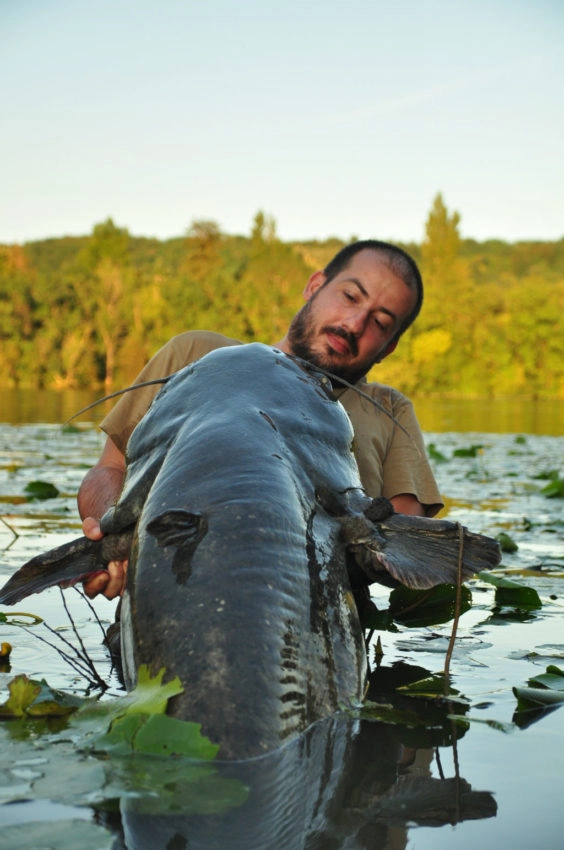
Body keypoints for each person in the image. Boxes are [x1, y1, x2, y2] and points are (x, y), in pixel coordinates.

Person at [78, 239, 443, 600]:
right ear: (315, 286)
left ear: (389, 347)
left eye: (379, 322)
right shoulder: (194, 355)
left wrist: (372, 547)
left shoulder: (389, 410)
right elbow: (109, 469)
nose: (354, 323)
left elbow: (411, 537)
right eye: (350, 296)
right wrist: (115, 541)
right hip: (170, 603)